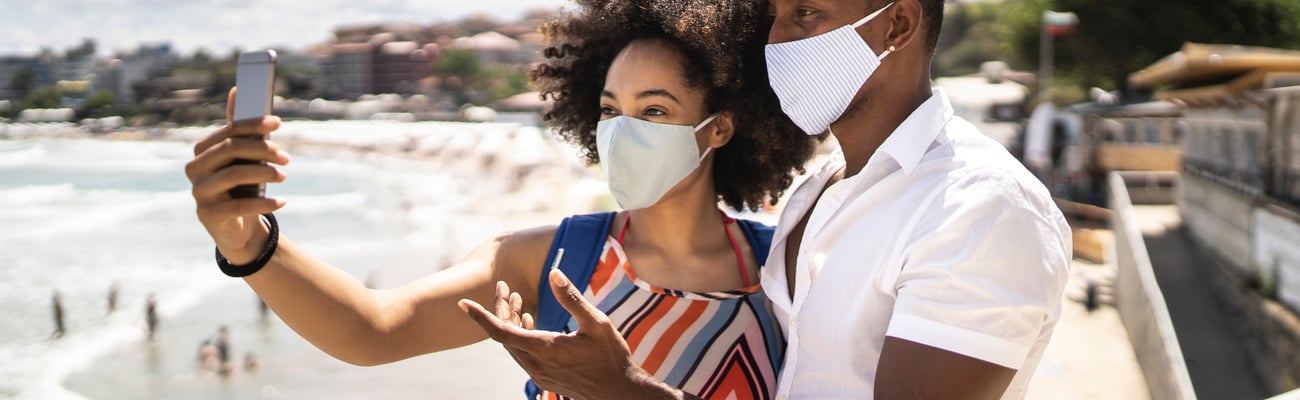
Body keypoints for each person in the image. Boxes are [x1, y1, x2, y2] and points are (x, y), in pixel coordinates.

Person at [182, 0, 815, 398]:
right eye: (609, 110)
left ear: (722, 127)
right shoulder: (551, 259)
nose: (623, 131)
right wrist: (250, 245)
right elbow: (371, 329)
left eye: (654, 110)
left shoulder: (785, 265)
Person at [463, 1, 1072, 399]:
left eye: (805, 14)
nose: (777, 42)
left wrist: (626, 389)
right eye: (774, 16)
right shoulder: (816, 193)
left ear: (897, 25)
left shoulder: (981, 208)